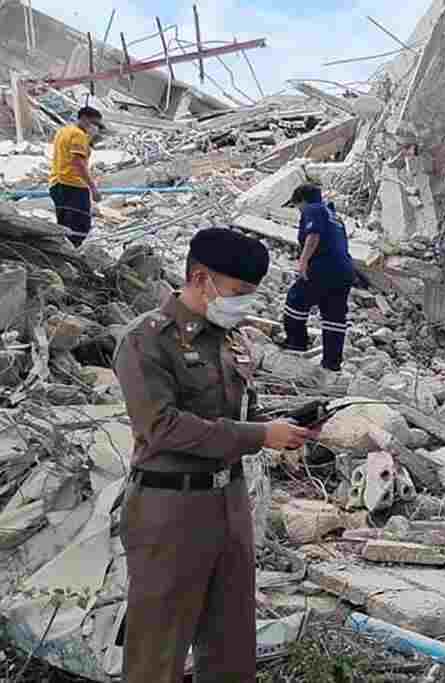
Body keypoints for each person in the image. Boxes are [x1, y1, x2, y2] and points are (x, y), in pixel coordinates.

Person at [114, 227, 317, 682]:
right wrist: (260, 434)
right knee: (158, 652)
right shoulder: (147, 339)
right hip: (169, 509)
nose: (245, 304)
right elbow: (162, 427)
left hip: (229, 504)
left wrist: (287, 429)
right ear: (201, 278)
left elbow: (244, 414)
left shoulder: (230, 340)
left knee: (231, 647)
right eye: (238, 292)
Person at [281, 183, 355, 371]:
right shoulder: (335, 217)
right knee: (334, 315)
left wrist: (303, 261)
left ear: (302, 201)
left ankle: (296, 347)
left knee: (295, 302)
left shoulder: (313, 209)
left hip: (323, 267)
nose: (299, 211)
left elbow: (313, 235)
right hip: (345, 270)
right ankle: (332, 364)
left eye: (297, 206)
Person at [49, 106, 104, 247]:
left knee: (64, 226)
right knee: (80, 227)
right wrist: (93, 188)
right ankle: (73, 255)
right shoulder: (79, 135)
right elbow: (77, 162)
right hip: (73, 186)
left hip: (57, 184)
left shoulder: (63, 131)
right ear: (84, 118)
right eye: (95, 123)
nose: (96, 128)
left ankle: (64, 256)